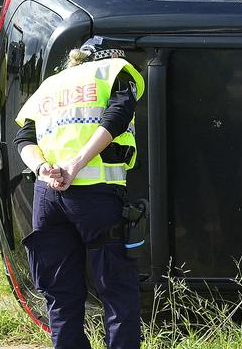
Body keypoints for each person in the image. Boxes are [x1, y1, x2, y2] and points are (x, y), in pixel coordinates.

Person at [13, 37, 145, 349]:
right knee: (115, 288)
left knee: (60, 292)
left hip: (47, 198)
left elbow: (24, 137)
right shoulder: (114, 71)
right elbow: (117, 115)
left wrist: (44, 169)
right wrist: (76, 164)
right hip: (95, 196)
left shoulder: (51, 85)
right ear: (110, 55)